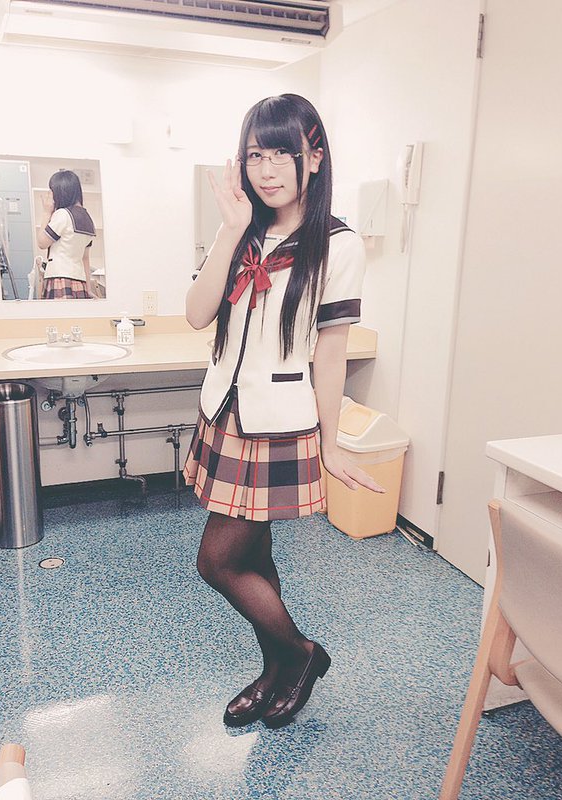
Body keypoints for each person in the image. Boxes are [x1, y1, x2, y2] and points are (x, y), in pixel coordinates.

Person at [184, 93, 385, 730]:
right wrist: (228, 229)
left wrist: (332, 440)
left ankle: (299, 654)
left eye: (281, 154)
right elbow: (196, 314)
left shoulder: (338, 244)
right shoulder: (242, 230)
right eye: (254, 155)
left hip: (277, 421)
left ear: (314, 157)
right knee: (254, 557)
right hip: (225, 411)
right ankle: (276, 667)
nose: (266, 170)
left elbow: (332, 352)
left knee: (218, 561)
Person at [36, 170, 97, 299]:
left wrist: (46, 212)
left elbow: (42, 243)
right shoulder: (88, 219)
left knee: (59, 313)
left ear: (59, 192)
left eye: (51, 191)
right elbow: (85, 258)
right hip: (79, 281)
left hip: (59, 277)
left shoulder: (63, 215)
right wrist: (88, 289)